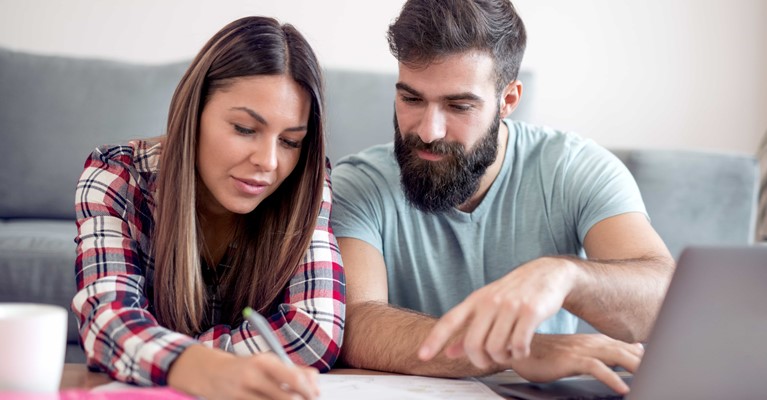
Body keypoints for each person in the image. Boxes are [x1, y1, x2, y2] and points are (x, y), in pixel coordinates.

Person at [330, 0, 674, 395]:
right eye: (411, 99)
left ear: (508, 100)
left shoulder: (573, 167)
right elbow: (355, 325)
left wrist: (564, 275)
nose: (428, 131)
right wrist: (518, 351)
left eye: (459, 106)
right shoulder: (358, 182)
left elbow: (662, 301)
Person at [71, 16, 344, 400]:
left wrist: (166, 353)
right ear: (193, 113)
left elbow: (315, 334)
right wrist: (201, 368)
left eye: (290, 141)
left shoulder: (308, 186)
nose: (268, 162)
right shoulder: (116, 175)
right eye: (245, 129)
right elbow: (106, 324)